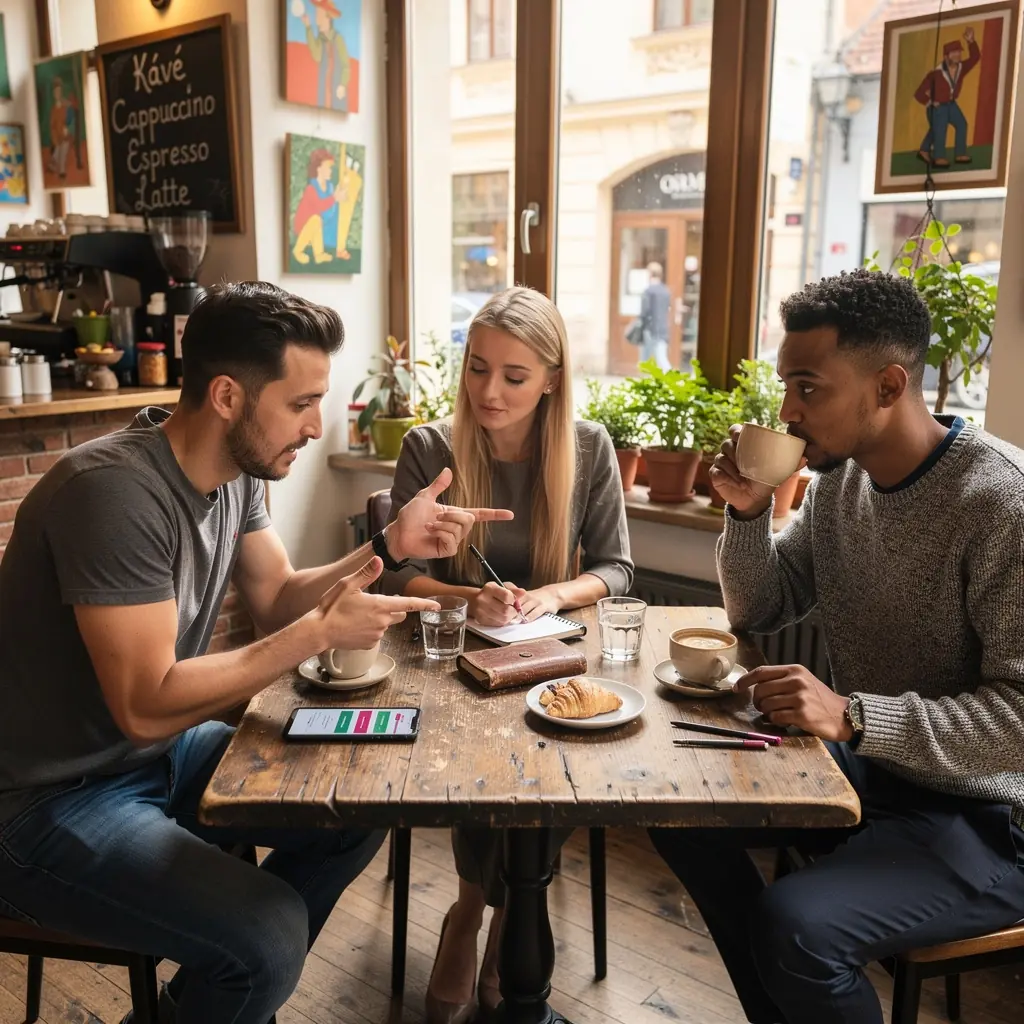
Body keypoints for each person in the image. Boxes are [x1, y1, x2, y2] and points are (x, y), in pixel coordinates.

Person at [0, 282, 513, 1024]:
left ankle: (214, 1000)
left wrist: (387, 545)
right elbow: (146, 705)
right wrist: (314, 635)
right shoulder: (112, 494)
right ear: (229, 397)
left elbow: (276, 594)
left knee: (358, 805)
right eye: (301, 403)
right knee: (268, 936)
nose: (316, 425)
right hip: (42, 798)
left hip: (148, 759)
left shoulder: (236, 476)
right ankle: (240, 978)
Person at [650, 269, 1024, 1024]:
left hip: (996, 821)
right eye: (787, 384)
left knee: (796, 928)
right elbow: (763, 605)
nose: (787, 410)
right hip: (874, 778)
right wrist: (749, 514)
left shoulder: (1002, 504)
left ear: (888, 385)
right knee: (672, 807)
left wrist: (854, 716)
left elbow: (1019, 722)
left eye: (808, 388)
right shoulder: (838, 487)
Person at [384, 286, 633, 1023]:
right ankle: (477, 909)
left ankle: (495, 916)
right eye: (477, 368)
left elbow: (618, 570)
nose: (489, 391)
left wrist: (553, 596)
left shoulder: (588, 449)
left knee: (556, 748)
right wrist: (469, 601)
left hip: (546, 655)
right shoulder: (430, 447)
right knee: (487, 757)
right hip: (451, 659)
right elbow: (395, 572)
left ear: (553, 378)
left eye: (515, 376)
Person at [915, 27, 980, 168]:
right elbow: (918, 93)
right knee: (940, 128)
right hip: (937, 107)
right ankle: (939, 157)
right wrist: (930, 102)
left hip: (951, 104)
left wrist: (971, 42)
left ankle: (959, 153)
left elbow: (975, 58)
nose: (957, 55)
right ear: (946, 56)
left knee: (961, 124)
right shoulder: (935, 74)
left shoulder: (961, 68)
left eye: (959, 52)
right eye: (954, 53)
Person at [292, 147, 344, 265]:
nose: (331, 171)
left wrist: (339, 197)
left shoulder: (329, 187)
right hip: (303, 225)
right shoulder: (311, 189)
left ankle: (319, 254)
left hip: (317, 224)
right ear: (319, 169)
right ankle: (297, 250)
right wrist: (335, 198)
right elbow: (320, 206)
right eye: (328, 167)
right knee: (316, 219)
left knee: (317, 221)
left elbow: (329, 206)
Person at [298, 0, 351, 112]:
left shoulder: (338, 39)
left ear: (328, 18)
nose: (317, 21)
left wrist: (342, 84)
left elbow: (345, 66)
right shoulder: (320, 39)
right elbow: (316, 56)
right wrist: (308, 28)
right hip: (324, 88)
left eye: (320, 16)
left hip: (337, 89)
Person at [639, 261, 671, 371]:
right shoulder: (665, 291)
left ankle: (644, 383)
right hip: (662, 328)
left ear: (650, 274)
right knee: (661, 357)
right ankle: (669, 378)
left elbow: (644, 312)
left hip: (650, 329)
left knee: (645, 359)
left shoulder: (648, 291)